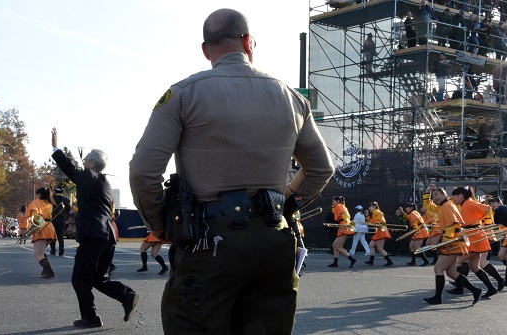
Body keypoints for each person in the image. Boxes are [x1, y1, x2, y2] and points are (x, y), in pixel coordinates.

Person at [129, 8, 334, 334]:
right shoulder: (292, 98)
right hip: (274, 241)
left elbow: (143, 172)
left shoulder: (182, 95)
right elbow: (321, 169)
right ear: (249, 42)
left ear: (205, 50)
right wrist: (285, 204)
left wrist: (162, 225)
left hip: (207, 242)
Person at [52, 128, 138, 328]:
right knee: (99, 279)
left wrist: (56, 148)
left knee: (80, 278)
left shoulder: (91, 177)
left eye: (86, 160)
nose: (83, 163)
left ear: (92, 163)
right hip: (107, 234)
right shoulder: (103, 182)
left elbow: (71, 170)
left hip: (94, 233)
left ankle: (90, 317)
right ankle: (127, 297)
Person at [422, 184, 482, 305]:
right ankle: (475, 290)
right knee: (451, 272)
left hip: (453, 242)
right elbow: (428, 206)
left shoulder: (447, 206)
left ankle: (437, 298)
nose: (435, 198)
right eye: (433, 196)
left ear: (444, 194)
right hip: (453, 241)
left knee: (438, 268)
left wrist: (447, 242)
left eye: (437, 195)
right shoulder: (444, 205)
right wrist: (427, 193)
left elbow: (453, 225)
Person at [448, 186, 503, 297]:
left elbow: (487, 208)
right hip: (473, 236)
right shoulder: (466, 203)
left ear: (460, 196)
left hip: (475, 238)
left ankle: (460, 287)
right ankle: (493, 286)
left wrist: (489, 226)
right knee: (474, 266)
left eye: (454, 196)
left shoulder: (469, 203)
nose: (453, 198)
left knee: (459, 261)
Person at [24, 188, 57, 278]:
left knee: (39, 255)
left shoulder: (35, 203)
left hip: (41, 227)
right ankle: (45, 270)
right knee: (41, 252)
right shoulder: (49, 203)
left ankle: (50, 271)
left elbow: (36, 220)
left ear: (39, 194)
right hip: (50, 227)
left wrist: (30, 231)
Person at [328, 196, 357, 268]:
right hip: (344, 226)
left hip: (344, 227)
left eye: (333, 201)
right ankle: (335, 262)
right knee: (335, 245)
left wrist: (345, 226)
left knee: (337, 246)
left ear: (338, 201)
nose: (332, 203)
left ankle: (352, 259)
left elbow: (340, 217)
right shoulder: (341, 206)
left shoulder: (339, 206)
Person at [364, 202, 393, 266]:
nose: (369, 208)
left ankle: (389, 261)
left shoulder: (376, 211)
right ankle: (371, 261)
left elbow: (381, 214)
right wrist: (367, 216)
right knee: (371, 245)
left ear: (374, 206)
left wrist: (377, 222)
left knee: (380, 248)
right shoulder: (374, 213)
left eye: (370, 207)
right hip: (379, 231)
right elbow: (372, 223)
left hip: (381, 231)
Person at [488, 197, 507, 283]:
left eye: (494, 203)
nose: (492, 205)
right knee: (501, 256)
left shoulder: (502, 209)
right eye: (491, 204)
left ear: (500, 202)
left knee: (503, 256)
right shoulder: (497, 211)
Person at [50, 186, 70, 256]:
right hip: (62, 217)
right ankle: (61, 249)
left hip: (53, 217)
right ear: (62, 192)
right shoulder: (66, 200)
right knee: (60, 234)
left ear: (55, 192)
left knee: (52, 234)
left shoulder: (51, 199)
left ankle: (53, 250)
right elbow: (68, 210)